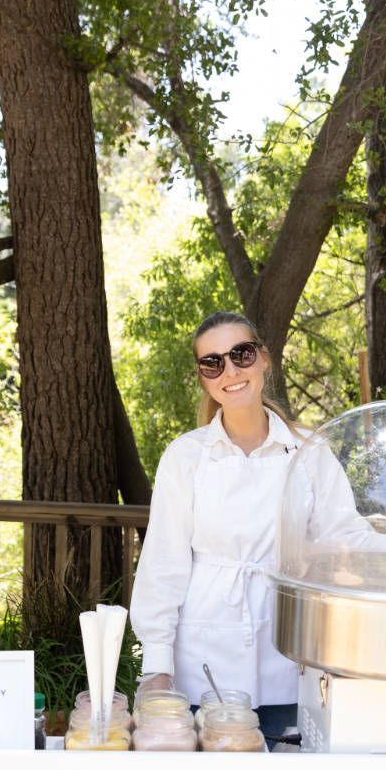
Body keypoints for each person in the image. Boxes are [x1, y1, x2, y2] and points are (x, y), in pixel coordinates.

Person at [129, 311, 305, 745]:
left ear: (264, 359)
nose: (230, 371)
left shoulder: (308, 452)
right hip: (201, 663)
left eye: (241, 354)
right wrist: (156, 667)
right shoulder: (185, 457)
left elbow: (347, 538)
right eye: (213, 363)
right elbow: (163, 564)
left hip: (288, 660)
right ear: (204, 378)